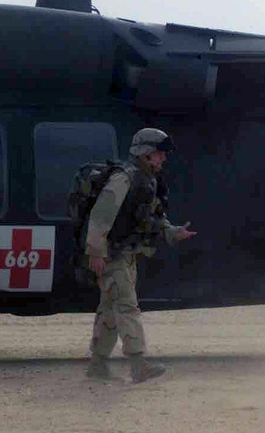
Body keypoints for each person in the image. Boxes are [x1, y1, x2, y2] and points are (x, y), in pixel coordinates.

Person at [84, 127, 197, 383]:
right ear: (145, 154)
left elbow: (152, 217)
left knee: (110, 310)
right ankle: (138, 364)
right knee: (126, 306)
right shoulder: (124, 179)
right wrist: (95, 252)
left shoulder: (147, 181)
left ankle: (97, 364)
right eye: (159, 154)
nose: (163, 159)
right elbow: (101, 216)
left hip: (125, 253)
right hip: (112, 254)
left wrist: (171, 231)